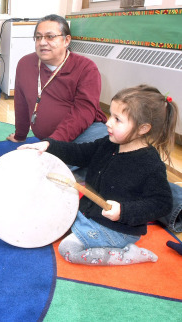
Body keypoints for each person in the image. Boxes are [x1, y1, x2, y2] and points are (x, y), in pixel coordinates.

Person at [18, 85, 177, 265]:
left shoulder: (150, 163)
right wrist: (48, 145)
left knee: (68, 249)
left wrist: (123, 212)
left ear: (143, 129)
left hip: (116, 229)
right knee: (49, 218)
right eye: (110, 115)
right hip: (87, 215)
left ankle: (128, 255)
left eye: (118, 119)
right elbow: (80, 152)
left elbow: (162, 203)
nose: (108, 122)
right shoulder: (109, 143)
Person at [7, 14, 108, 145]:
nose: (42, 42)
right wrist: (20, 135)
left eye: (50, 37)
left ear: (66, 41)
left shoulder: (86, 68)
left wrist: (52, 143)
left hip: (85, 133)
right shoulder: (25, 63)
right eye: (38, 37)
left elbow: (83, 112)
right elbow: (21, 102)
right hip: (48, 140)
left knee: (98, 151)